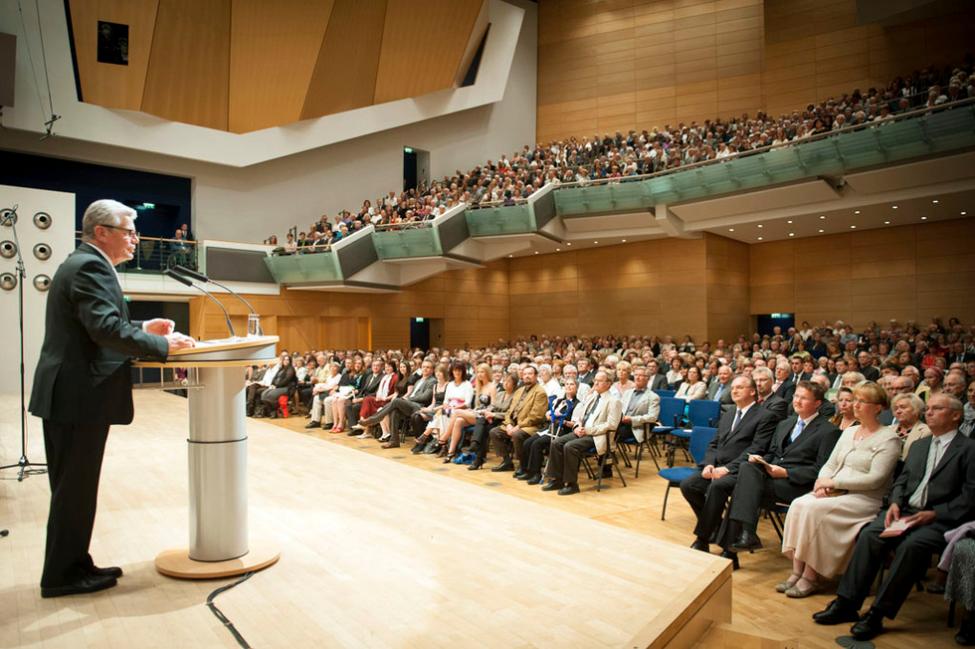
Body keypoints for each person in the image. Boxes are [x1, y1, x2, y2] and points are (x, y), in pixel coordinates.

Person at [29, 199, 195, 598]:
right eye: (129, 231)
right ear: (101, 232)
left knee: (74, 488)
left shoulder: (85, 263)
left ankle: (74, 562)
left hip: (71, 394)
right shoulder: (90, 265)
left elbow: (99, 327)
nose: (136, 239)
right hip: (78, 395)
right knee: (75, 489)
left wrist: (141, 326)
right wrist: (162, 343)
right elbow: (104, 330)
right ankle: (62, 575)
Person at [813, 394, 975, 642]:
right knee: (869, 534)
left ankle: (877, 614)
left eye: (937, 408)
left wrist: (936, 513)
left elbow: (969, 496)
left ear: (955, 415)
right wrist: (896, 503)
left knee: (912, 546)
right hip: (906, 512)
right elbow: (902, 480)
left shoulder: (969, 449)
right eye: (928, 408)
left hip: (940, 519)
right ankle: (846, 603)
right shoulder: (920, 445)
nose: (928, 413)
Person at [778, 382, 901, 597]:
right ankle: (797, 571)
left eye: (863, 401)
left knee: (814, 510)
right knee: (799, 504)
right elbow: (830, 464)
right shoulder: (849, 432)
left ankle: (811, 576)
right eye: (855, 400)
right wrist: (822, 481)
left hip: (864, 498)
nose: (855, 405)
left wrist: (833, 484)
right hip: (835, 491)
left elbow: (875, 479)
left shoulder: (889, 438)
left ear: (879, 407)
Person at [724, 382, 841, 557]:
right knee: (747, 467)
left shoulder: (829, 431)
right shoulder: (786, 423)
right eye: (796, 396)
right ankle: (745, 535)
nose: (797, 401)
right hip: (772, 477)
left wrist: (786, 473)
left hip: (796, 485)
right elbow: (772, 452)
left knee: (742, 486)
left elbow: (821, 469)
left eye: (804, 398)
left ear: (817, 403)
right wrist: (763, 462)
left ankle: (736, 543)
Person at [681, 376, 779, 555]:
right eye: (733, 387)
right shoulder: (729, 414)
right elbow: (713, 444)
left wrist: (727, 469)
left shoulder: (765, 416)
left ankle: (702, 539)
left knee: (717, 487)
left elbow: (756, 449)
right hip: (717, 466)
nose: (734, 391)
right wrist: (709, 465)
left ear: (752, 391)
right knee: (689, 485)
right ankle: (717, 529)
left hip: (740, 470)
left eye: (740, 387)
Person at [542, 370, 622, 496]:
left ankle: (571, 484)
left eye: (599, 381)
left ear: (609, 383)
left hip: (598, 436)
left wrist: (588, 430)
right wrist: (577, 427)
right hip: (583, 431)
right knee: (557, 442)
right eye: (595, 380)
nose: (595, 383)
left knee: (570, 446)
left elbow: (612, 425)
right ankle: (556, 479)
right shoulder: (592, 397)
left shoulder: (613, 401)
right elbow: (581, 417)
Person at [489, 365, 548, 472]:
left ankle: (523, 465)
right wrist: (509, 424)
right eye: (525, 374)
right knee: (494, 432)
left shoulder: (540, 392)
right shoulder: (519, 390)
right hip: (514, 424)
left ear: (536, 376)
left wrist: (518, 426)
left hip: (531, 426)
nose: (527, 376)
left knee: (517, 435)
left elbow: (536, 416)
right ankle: (507, 461)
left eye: (530, 374)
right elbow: (509, 411)